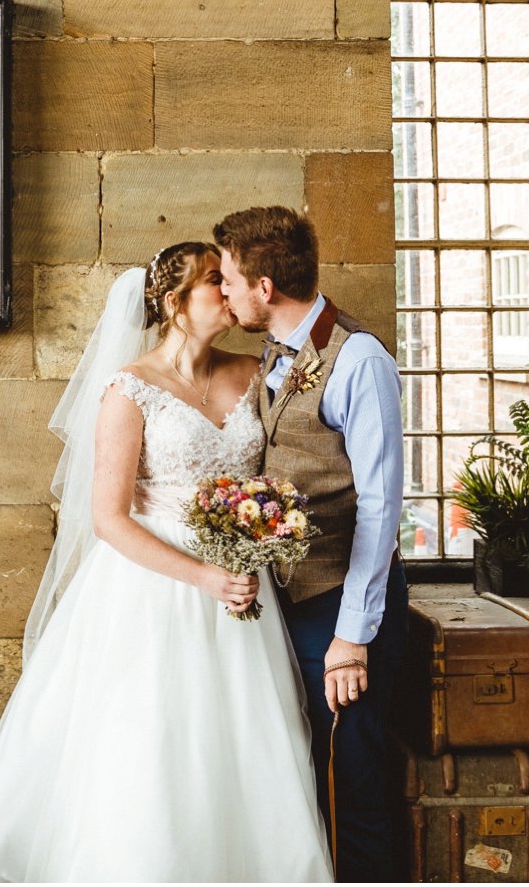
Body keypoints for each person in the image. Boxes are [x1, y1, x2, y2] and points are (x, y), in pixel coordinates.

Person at [0, 241, 333, 883]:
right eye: (215, 282)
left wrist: (268, 532)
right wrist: (205, 576)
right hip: (155, 590)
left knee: (245, 742)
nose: (230, 290)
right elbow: (108, 518)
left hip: (244, 581)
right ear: (173, 303)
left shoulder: (255, 373)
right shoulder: (129, 391)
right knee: (154, 743)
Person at [214, 206, 410, 883]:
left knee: (351, 780)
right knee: (305, 778)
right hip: (288, 600)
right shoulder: (279, 347)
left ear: (265, 287)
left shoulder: (359, 358)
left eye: (232, 280)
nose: (226, 292)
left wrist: (352, 638)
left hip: (340, 607)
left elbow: (382, 510)